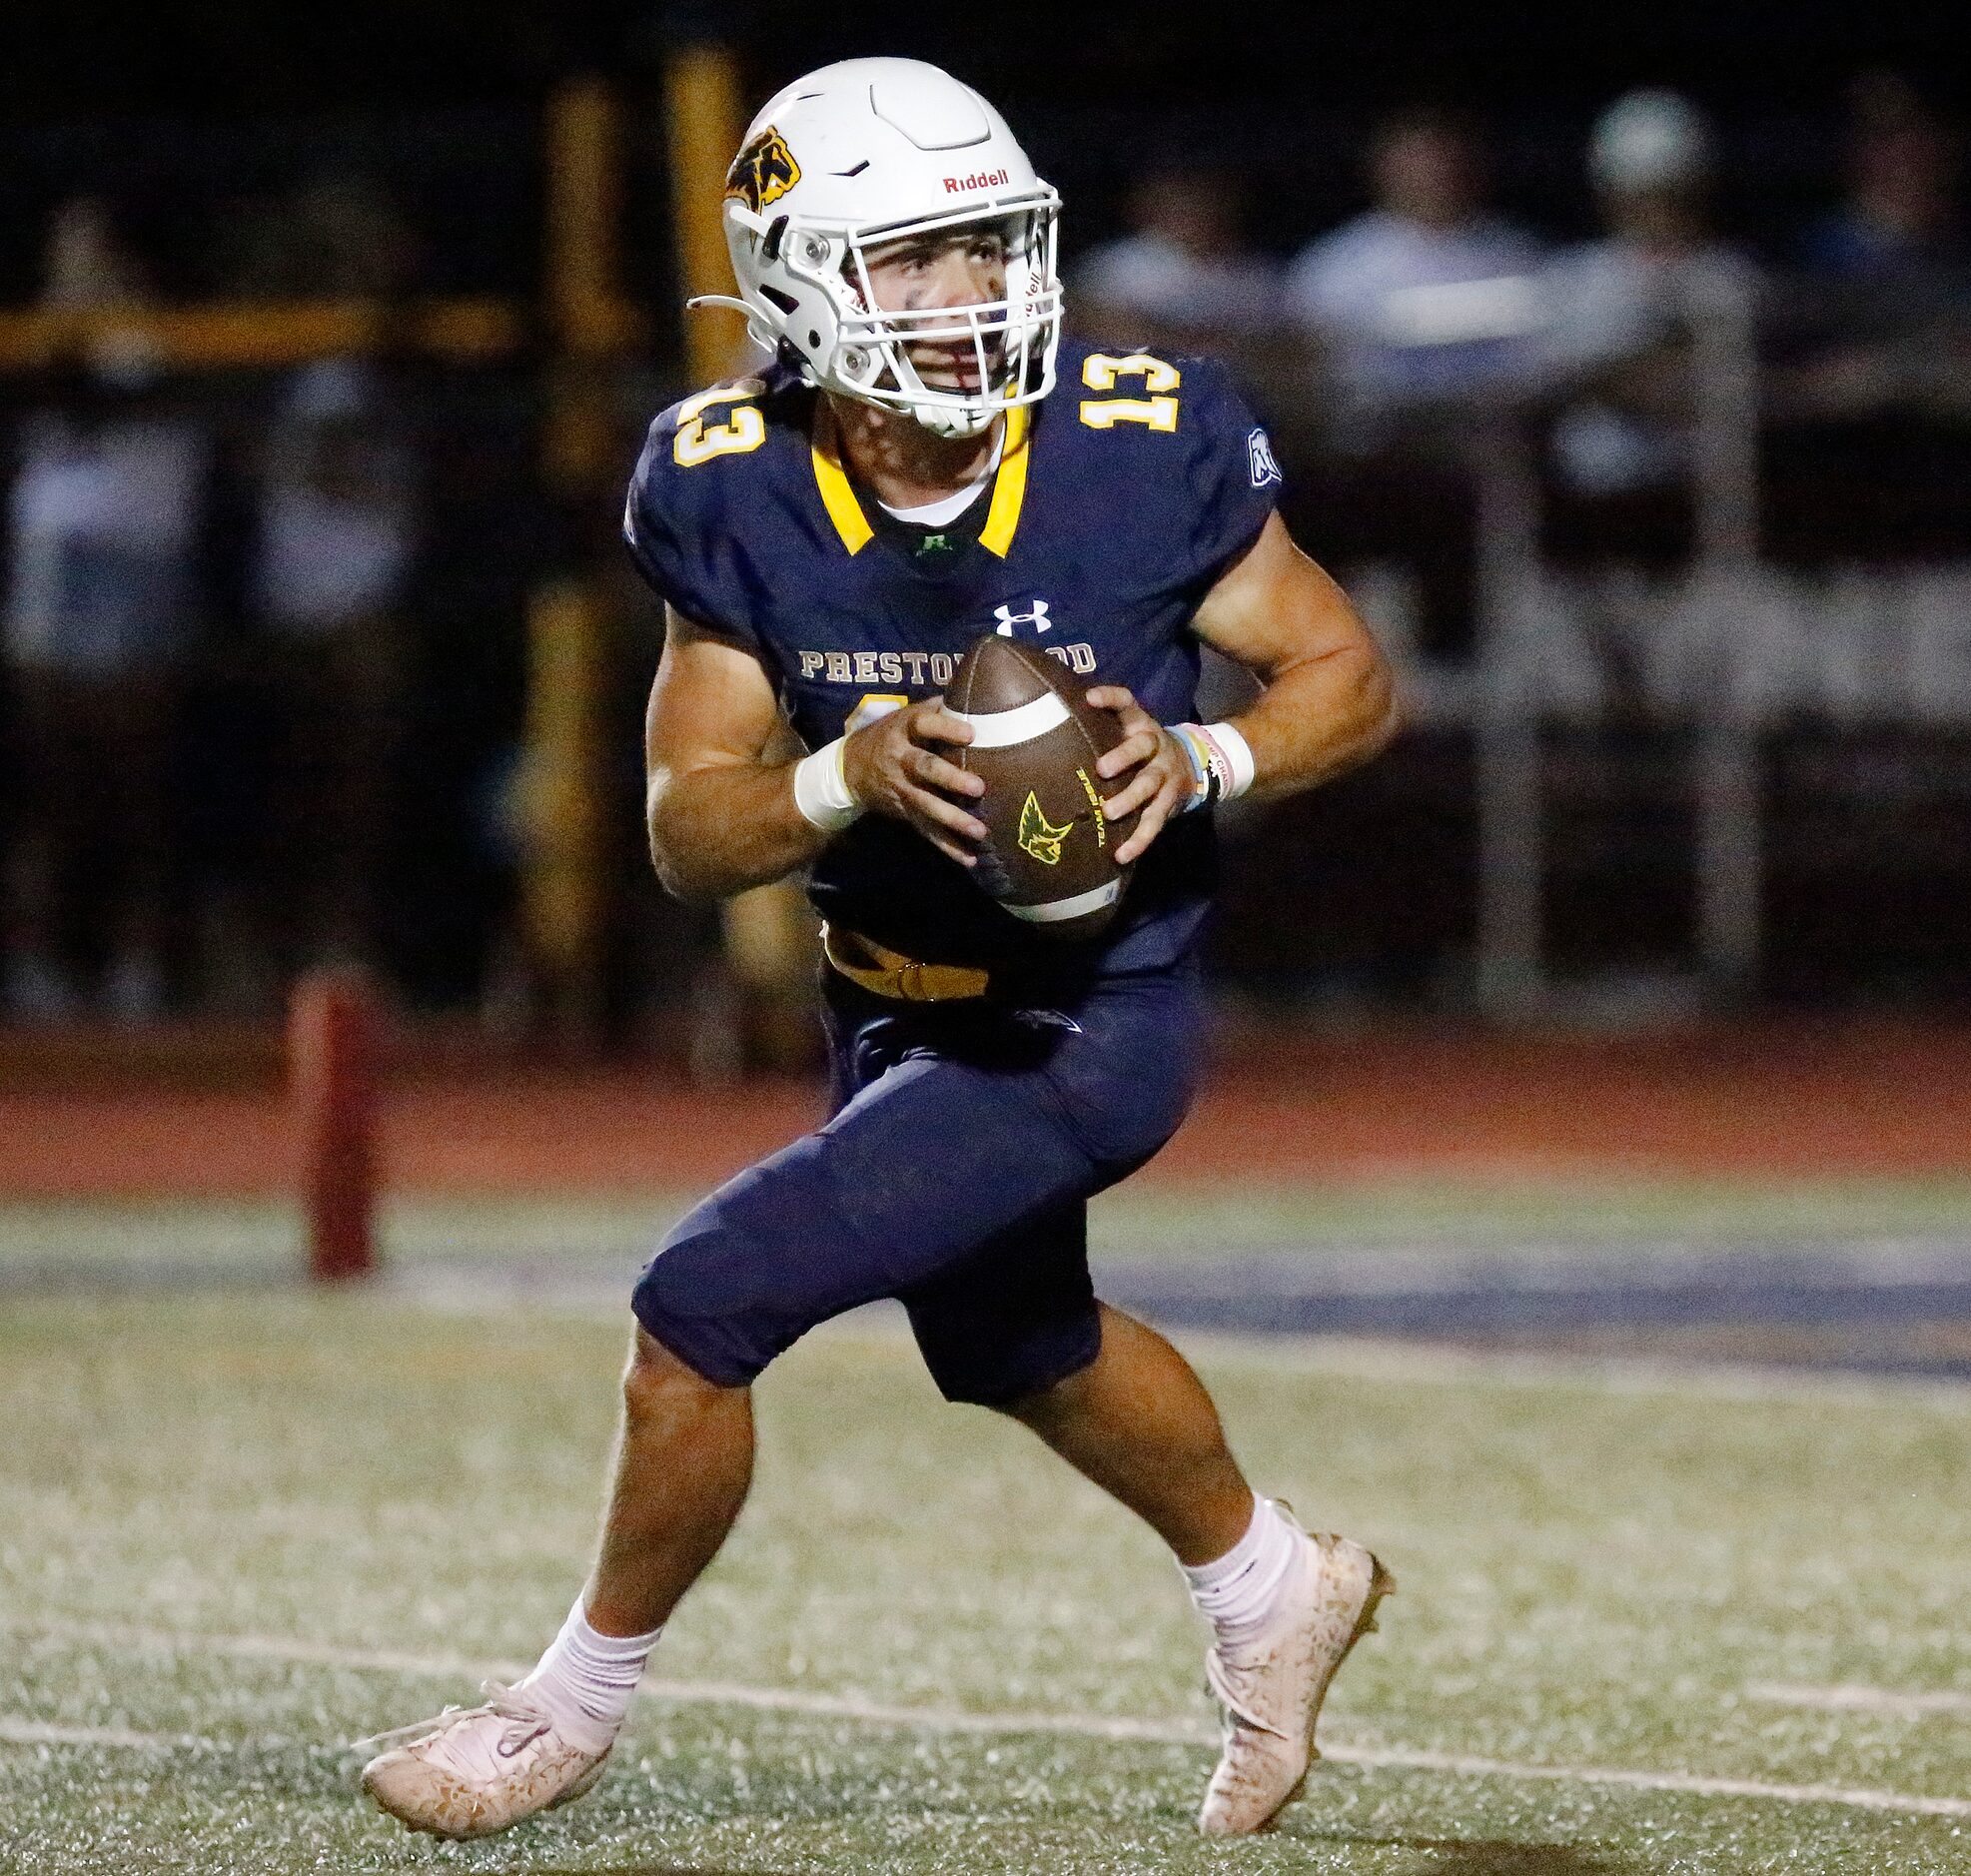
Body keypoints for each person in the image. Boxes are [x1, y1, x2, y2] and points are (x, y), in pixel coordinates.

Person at [357, 57, 1399, 1844]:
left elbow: (1344, 677)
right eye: (911, 261)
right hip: (884, 1001)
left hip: (1086, 1014)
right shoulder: (727, 479)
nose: (966, 295)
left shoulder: (1133, 443)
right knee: (1014, 1336)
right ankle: (1269, 1579)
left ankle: (564, 1703)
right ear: (798, 285)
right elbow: (691, 830)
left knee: (701, 1309)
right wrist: (841, 774)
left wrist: (1207, 750)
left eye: (986, 249)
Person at [1286, 107, 1544, 437]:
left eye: (1446, 160)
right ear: (1384, 169)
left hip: (1501, 433)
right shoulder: (1333, 269)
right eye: (1419, 163)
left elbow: (1545, 362)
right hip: (1381, 445)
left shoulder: (1522, 257)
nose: (1436, 176)